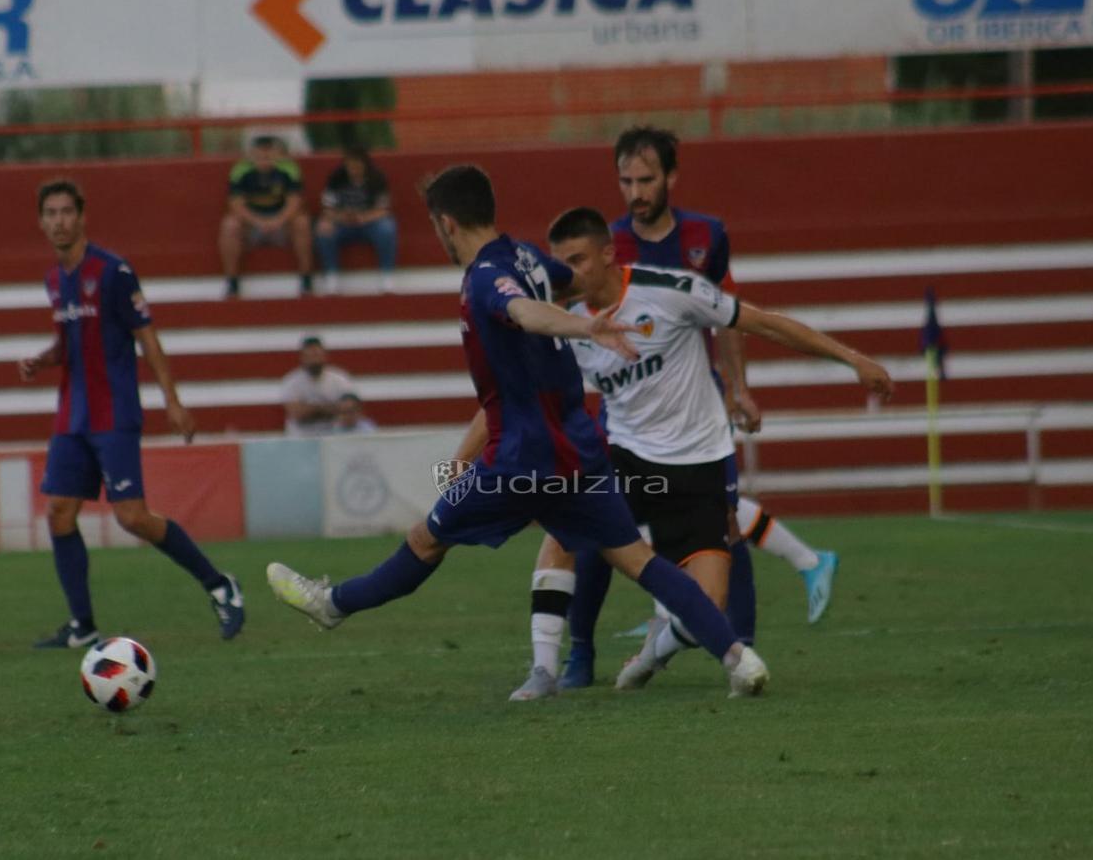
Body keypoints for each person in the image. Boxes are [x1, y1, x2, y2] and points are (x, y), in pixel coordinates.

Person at [265, 164, 770, 699]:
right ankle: (740, 659)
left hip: (520, 459)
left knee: (425, 540)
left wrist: (581, 323)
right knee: (636, 560)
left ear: (447, 223)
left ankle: (333, 605)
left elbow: (524, 312)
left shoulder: (487, 277)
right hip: (576, 450)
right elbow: (567, 281)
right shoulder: (525, 255)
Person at [509, 207, 892, 695]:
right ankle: (544, 670)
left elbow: (764, 323)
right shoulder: (566, 323)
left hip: (700, 465)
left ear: (608, 254)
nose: (568, 273)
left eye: (578, 259)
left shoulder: (671, 291)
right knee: (566, 528)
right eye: (560, 262)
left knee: (706, 604)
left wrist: (852, 359)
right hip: (629, 457)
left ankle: (655, 649)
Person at [560, 125, 842, 689]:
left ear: (671, 178)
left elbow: (731, 316)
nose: (635, 191)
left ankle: (738, 643)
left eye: (645, 179)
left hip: (696, 416)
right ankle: (579, 655)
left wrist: (739, 386)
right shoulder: (605, 245)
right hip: (626, 427)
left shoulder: (704, 236)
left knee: (728, 534)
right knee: (594, 530)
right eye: (625, 180)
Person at [20, 179, 245, 648]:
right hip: (72, 415)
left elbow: (147, 336)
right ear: (41, 221)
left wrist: (174, 401)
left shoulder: (113, 271)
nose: (59, 220)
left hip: (113, 412)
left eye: (66, 211)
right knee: (59, 513)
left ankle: (220, 585)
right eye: (51, 213)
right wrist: (45, 358)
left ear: (82, 216)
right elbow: (72, 338)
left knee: (133, 517)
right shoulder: (54, 279)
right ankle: (82, 626)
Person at [219, 135, 315, 298]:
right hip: (252, 225)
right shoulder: (240, 169)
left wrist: (278, 220)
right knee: (229, 225)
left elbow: (295, 202)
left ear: (277, 154)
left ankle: (306, 280)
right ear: (252, 155)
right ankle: (232, 282)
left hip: (282, 224)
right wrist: (259, 221)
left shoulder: (289, 168)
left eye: (269, 155)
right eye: (260, 155)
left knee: (302, 222)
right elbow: (236, 204)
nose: (264, 159)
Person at [315, 144, 399, 294]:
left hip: (369, 223)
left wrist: (363, 218)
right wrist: (340, 217)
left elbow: (383, 210)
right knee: (323, 229)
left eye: (357, 166)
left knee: (387, 227)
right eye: (350, 166)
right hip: (343, 223)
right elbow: (327, 209)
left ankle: (387, 276)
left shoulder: (377, 178)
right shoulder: (336, 178)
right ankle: (331, 277)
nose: (353, 170)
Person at [280, 336, 361, 437]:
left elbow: (349, 409)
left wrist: (310, 409)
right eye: (310, 356)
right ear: (302, 357)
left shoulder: (340, 380)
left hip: (333, 438)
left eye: (317, 355)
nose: (314, 360)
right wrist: (330, 409)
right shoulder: (291, 382)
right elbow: (297, 413)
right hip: (301, 438)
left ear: (324, 356)